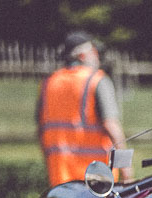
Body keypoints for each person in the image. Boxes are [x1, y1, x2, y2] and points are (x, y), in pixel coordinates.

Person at [36, 31, 131, 186]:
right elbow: (112, 127)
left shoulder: (49, 83)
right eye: (95, 52)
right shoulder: (97, 80)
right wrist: (127, 169)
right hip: (98, 181)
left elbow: (41, 131)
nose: (98, 57)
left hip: (61, 179)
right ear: (83, 55)